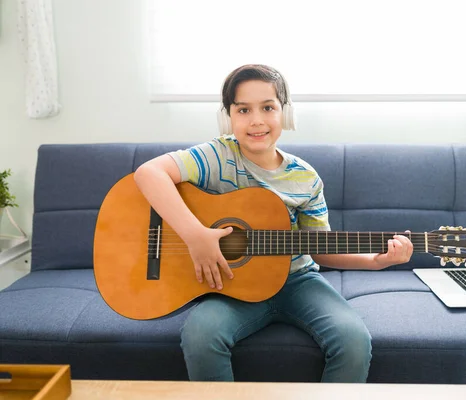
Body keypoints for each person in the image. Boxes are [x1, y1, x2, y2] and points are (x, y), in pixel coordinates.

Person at [134, 64, 413, 382]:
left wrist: (378, 261)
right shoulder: (217, 155)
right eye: (243, 109)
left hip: (298, 282)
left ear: (285, 113)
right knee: (200, 335)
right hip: (231, 288)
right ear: (228, 117)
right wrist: (195, 235)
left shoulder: (305, 178)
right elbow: (149, 173)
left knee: (354, 340)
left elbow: (320, 249)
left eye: (268, 107)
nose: (256, 120)